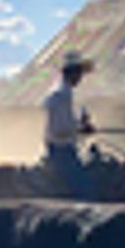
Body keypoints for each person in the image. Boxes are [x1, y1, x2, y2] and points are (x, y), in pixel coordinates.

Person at [42, 50, 96, 198]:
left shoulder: (62, 93)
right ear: (71, 74)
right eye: (79, 73)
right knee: (85, 190)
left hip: (63, 148)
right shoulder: (62, 96)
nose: (80, 78)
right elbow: (59, 130)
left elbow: (64, 123)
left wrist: (80, 124)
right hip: (61, 151)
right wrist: (82, 129)